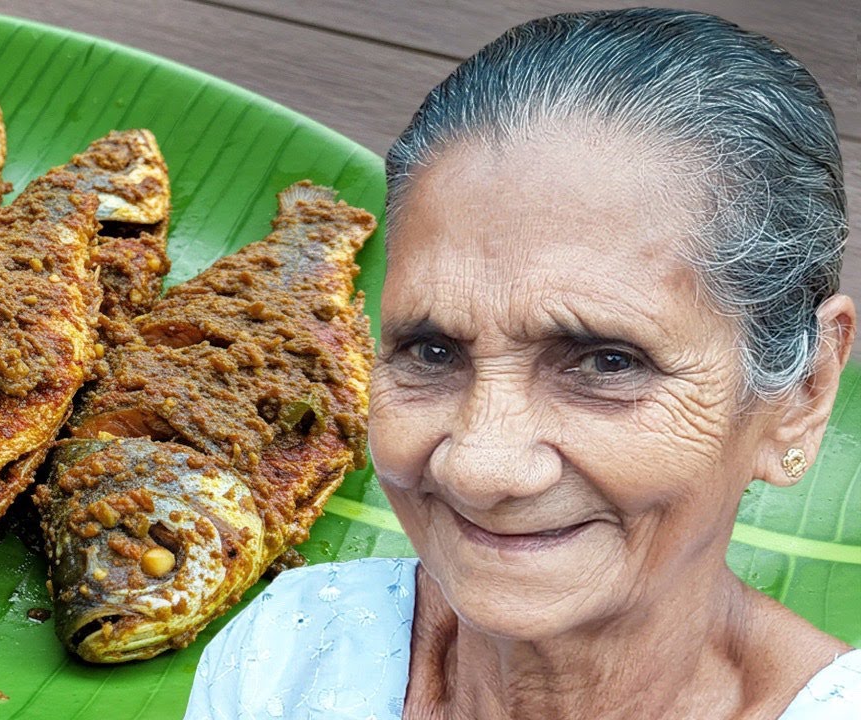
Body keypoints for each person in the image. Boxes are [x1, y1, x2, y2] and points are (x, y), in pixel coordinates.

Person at [184, 8, 860, 719]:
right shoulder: (291, 660)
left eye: (605, 363)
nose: (481, 468)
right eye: (431, 352)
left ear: (802, 394)